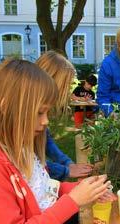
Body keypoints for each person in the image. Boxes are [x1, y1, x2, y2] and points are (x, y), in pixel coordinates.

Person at [0, 59, 113, 224]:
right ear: (6, 107)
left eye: (46, 112)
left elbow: (45, 190)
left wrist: (84, 189)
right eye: (39, 112)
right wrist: (72, 201)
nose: (46, 120)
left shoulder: (21, 147)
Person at [36, 51, 93, 180]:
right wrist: (65, 171)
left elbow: (46, 140)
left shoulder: (41, 110)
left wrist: (67, 164)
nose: (67, 91)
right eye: (66, 86)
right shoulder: (29, 114)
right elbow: (32, 167)